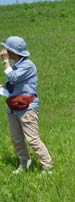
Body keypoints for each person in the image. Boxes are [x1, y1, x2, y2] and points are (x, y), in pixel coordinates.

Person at [0, 36, 53, 174]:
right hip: (13, 107)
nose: (4, 51)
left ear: (13, 52)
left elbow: (14, 77)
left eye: (7, 50)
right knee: (16, 139)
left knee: (32, 139)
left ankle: (48, 167)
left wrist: (5, 61)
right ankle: (24, 163)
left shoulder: (28, 65)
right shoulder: (16, 66)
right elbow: (13, 86)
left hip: (27, 108)